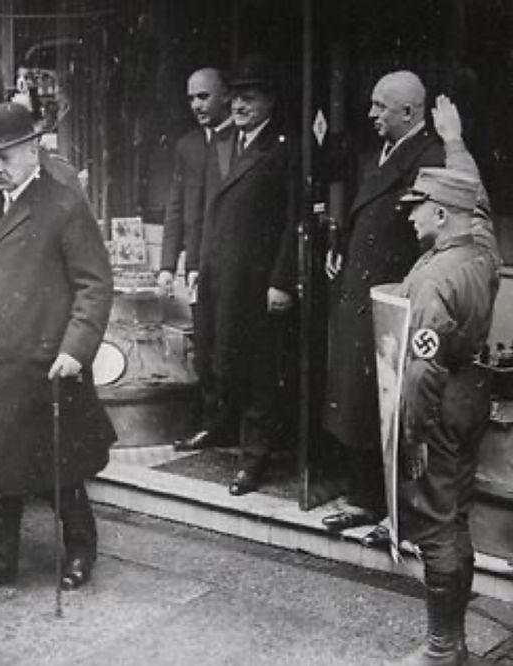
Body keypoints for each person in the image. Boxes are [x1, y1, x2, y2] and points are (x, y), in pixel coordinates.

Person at [0, 102, 115, 599]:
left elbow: (94, 285)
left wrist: (76, 349)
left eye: (3, 158)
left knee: (60, 472)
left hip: (43, 363)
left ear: (33, 148)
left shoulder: (63, 204)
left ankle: (81, 550)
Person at [322, 70, 444, 542]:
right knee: (360, 403)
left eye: (380, 107)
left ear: (409, 113)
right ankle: (366, 500)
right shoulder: (383, 155)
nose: (371, 115)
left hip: (399, 299)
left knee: (396, 409)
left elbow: (432, 240)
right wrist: (343, 245)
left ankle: (401, 516)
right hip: (364, 293)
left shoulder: (430, 159)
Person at [388, 166, 499, 666]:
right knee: (455, 517)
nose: (410, 216)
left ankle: (441, 648)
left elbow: (421, 370)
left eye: (417, 206)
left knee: (435, 522)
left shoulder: (434, 276)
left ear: (440, 212)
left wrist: (411, 435)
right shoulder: (482, 255)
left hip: (440, 400)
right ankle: (454, 644)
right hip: (472, 392)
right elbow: (486, 214)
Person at [191, 54, 298, 496]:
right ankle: (234, 442)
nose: (239, 105)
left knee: (258, 372)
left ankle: (254, 460)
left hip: (257, 281)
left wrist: (282, 279)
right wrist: (203, 268)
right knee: (226, 361)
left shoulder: (283, 149)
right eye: (235, 97)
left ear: (269, 101)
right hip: (222, 277)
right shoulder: (224, 144)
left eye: (249, 98)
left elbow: (295, 220)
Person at [157, 67, 234, 299]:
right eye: (191, 98)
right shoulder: (188, 145)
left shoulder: (240, 141)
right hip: (195, 266)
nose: (196, 106)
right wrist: (167, 267)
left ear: (225, 96)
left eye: (203, 96)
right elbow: (176, 205)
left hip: (230, 264)